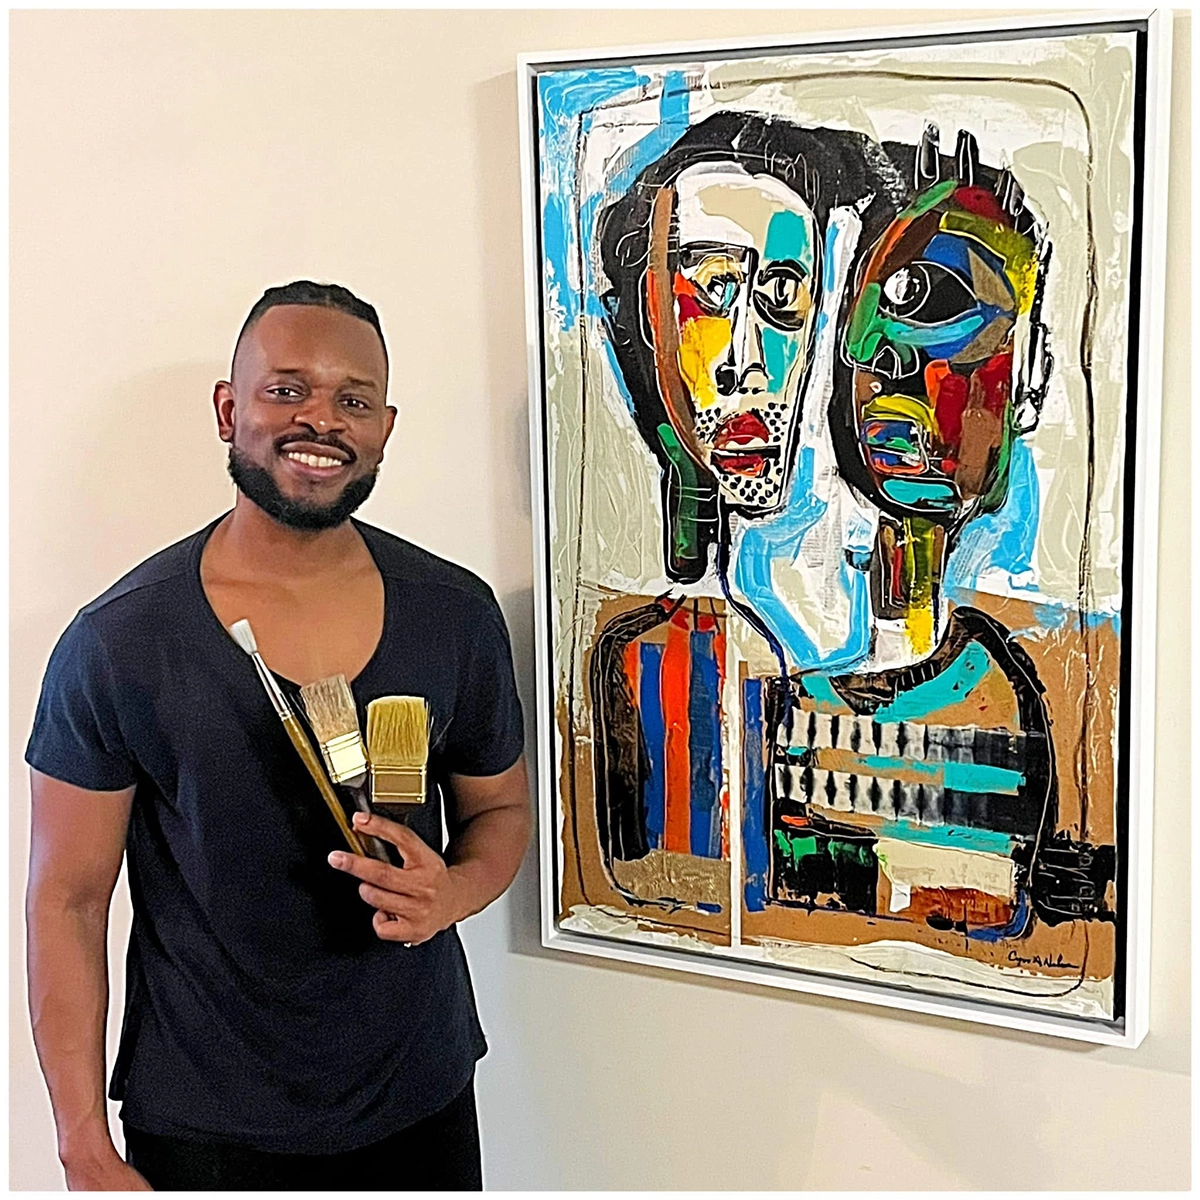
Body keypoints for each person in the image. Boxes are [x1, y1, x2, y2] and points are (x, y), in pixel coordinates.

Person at [25, 280, 531, 1190]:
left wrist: (451, 891)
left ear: (385, 429)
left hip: (419, 1101)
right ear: (230, 410)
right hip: (203, 1125)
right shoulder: (119, 641)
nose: (321, 420)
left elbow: (501, 809)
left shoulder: (454, 614)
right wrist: (82, 1143)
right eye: (286, 389)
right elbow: (66, 901)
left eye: (354, 400)